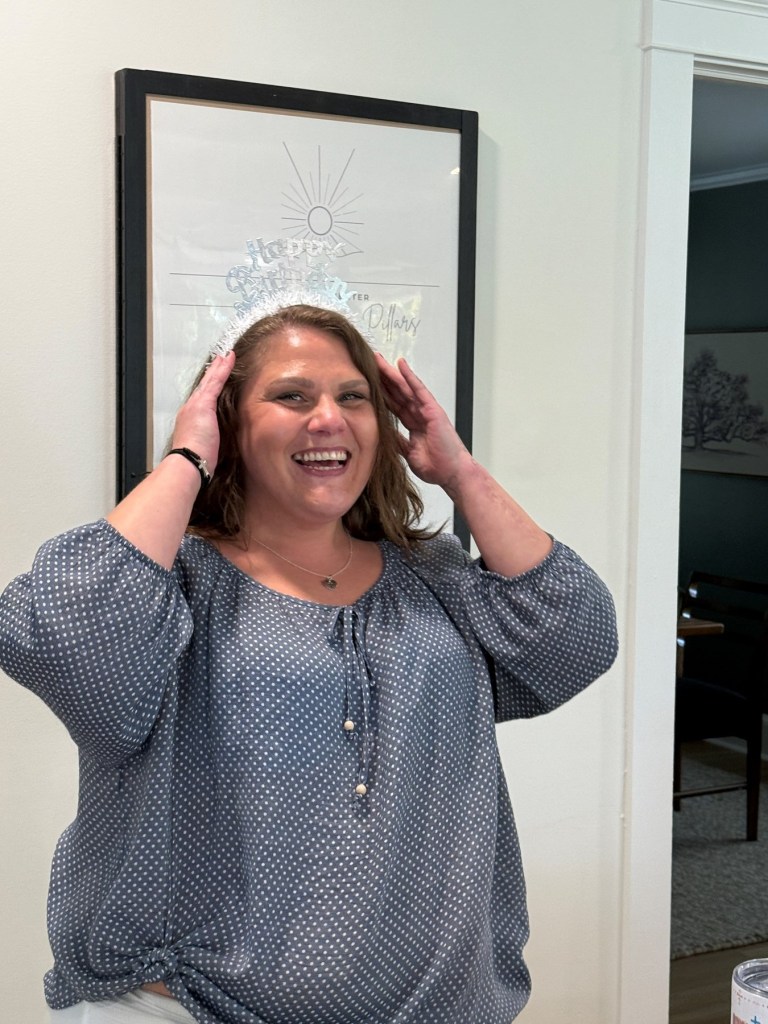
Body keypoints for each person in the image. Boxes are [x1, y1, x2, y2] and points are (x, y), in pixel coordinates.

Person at [0, 303, 618, 1024]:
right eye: (292, 396)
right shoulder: (175, 586)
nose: (328, 419)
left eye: (353, 398)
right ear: (229, 422)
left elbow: (578, 638)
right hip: (188, 1007)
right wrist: (187, 460)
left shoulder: (432, 575)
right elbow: (56, 633)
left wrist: (459, 471)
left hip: (435, 1008)